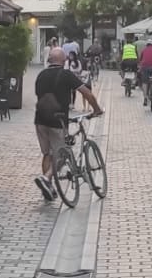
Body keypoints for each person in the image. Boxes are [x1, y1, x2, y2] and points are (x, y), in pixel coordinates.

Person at [34, 46, 102, 201]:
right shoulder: (66, 75)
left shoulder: (41, 75)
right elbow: (86, 93)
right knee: (62, 154)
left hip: (40, 120)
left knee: (47, 154)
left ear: (49, 60)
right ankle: (46, 178)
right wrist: (96, 109)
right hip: (57, 121)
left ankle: (48, 187)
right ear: (64, 60)